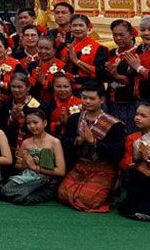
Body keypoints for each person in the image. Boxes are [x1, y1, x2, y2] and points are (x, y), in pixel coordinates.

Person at [57, 82, 126, 213]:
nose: (87, 101)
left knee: (87, 199)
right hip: (80, 165)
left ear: (101, 100)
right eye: (84, 98)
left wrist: (94, 142)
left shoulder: (114, 124)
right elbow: (65, 143)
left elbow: (117, 152)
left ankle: (109, 191)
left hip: (102, 168)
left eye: (92, 99)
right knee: (62, 194)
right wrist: (79, 140)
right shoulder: (75, 119)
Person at [0, 108, 66, 205]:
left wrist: (36, 168)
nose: (32, 126)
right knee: (4, 190)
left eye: (35, 122)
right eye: (29, 123)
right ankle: (23, 195)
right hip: (27, 178)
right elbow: (18, 165)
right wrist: (25, 164)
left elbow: (61, 171)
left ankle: (33, 194)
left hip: (47, 181)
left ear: (44, 123)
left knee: (25, 198)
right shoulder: (26, 143)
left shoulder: (54, 142)